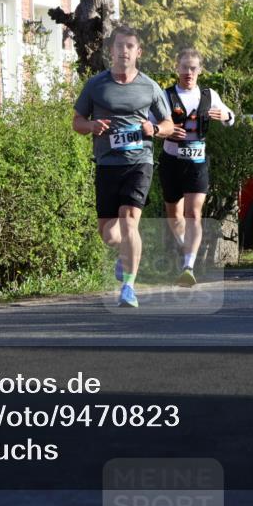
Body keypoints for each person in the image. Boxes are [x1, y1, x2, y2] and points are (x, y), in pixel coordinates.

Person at [73, 26, 173, 308]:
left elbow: (168, 125)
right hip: (107, 163)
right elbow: (77, 121)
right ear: (111, 50)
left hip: (139, 162)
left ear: (138, 52)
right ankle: (124, 254)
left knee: (130, 219)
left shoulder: (150, 87)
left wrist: (153, 128)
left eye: (130, 46)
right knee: (108, 233)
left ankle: (129, 286)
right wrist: (91, 125)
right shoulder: (96, 85)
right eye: (119, 46)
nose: (124, 50)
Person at [155, 49, 235, 287]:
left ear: (200, 70)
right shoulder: (165, 95)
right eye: (184, 67)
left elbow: (230, 118)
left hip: (198, 161)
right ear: (177, 68)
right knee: (175, 215)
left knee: (194, 213)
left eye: (193, 68)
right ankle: (184, 248)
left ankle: (188, 265)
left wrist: (224, 115)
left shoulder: (209, 95)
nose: (188, 72)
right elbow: (151, 125)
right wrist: (166, 131)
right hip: (171, 161)